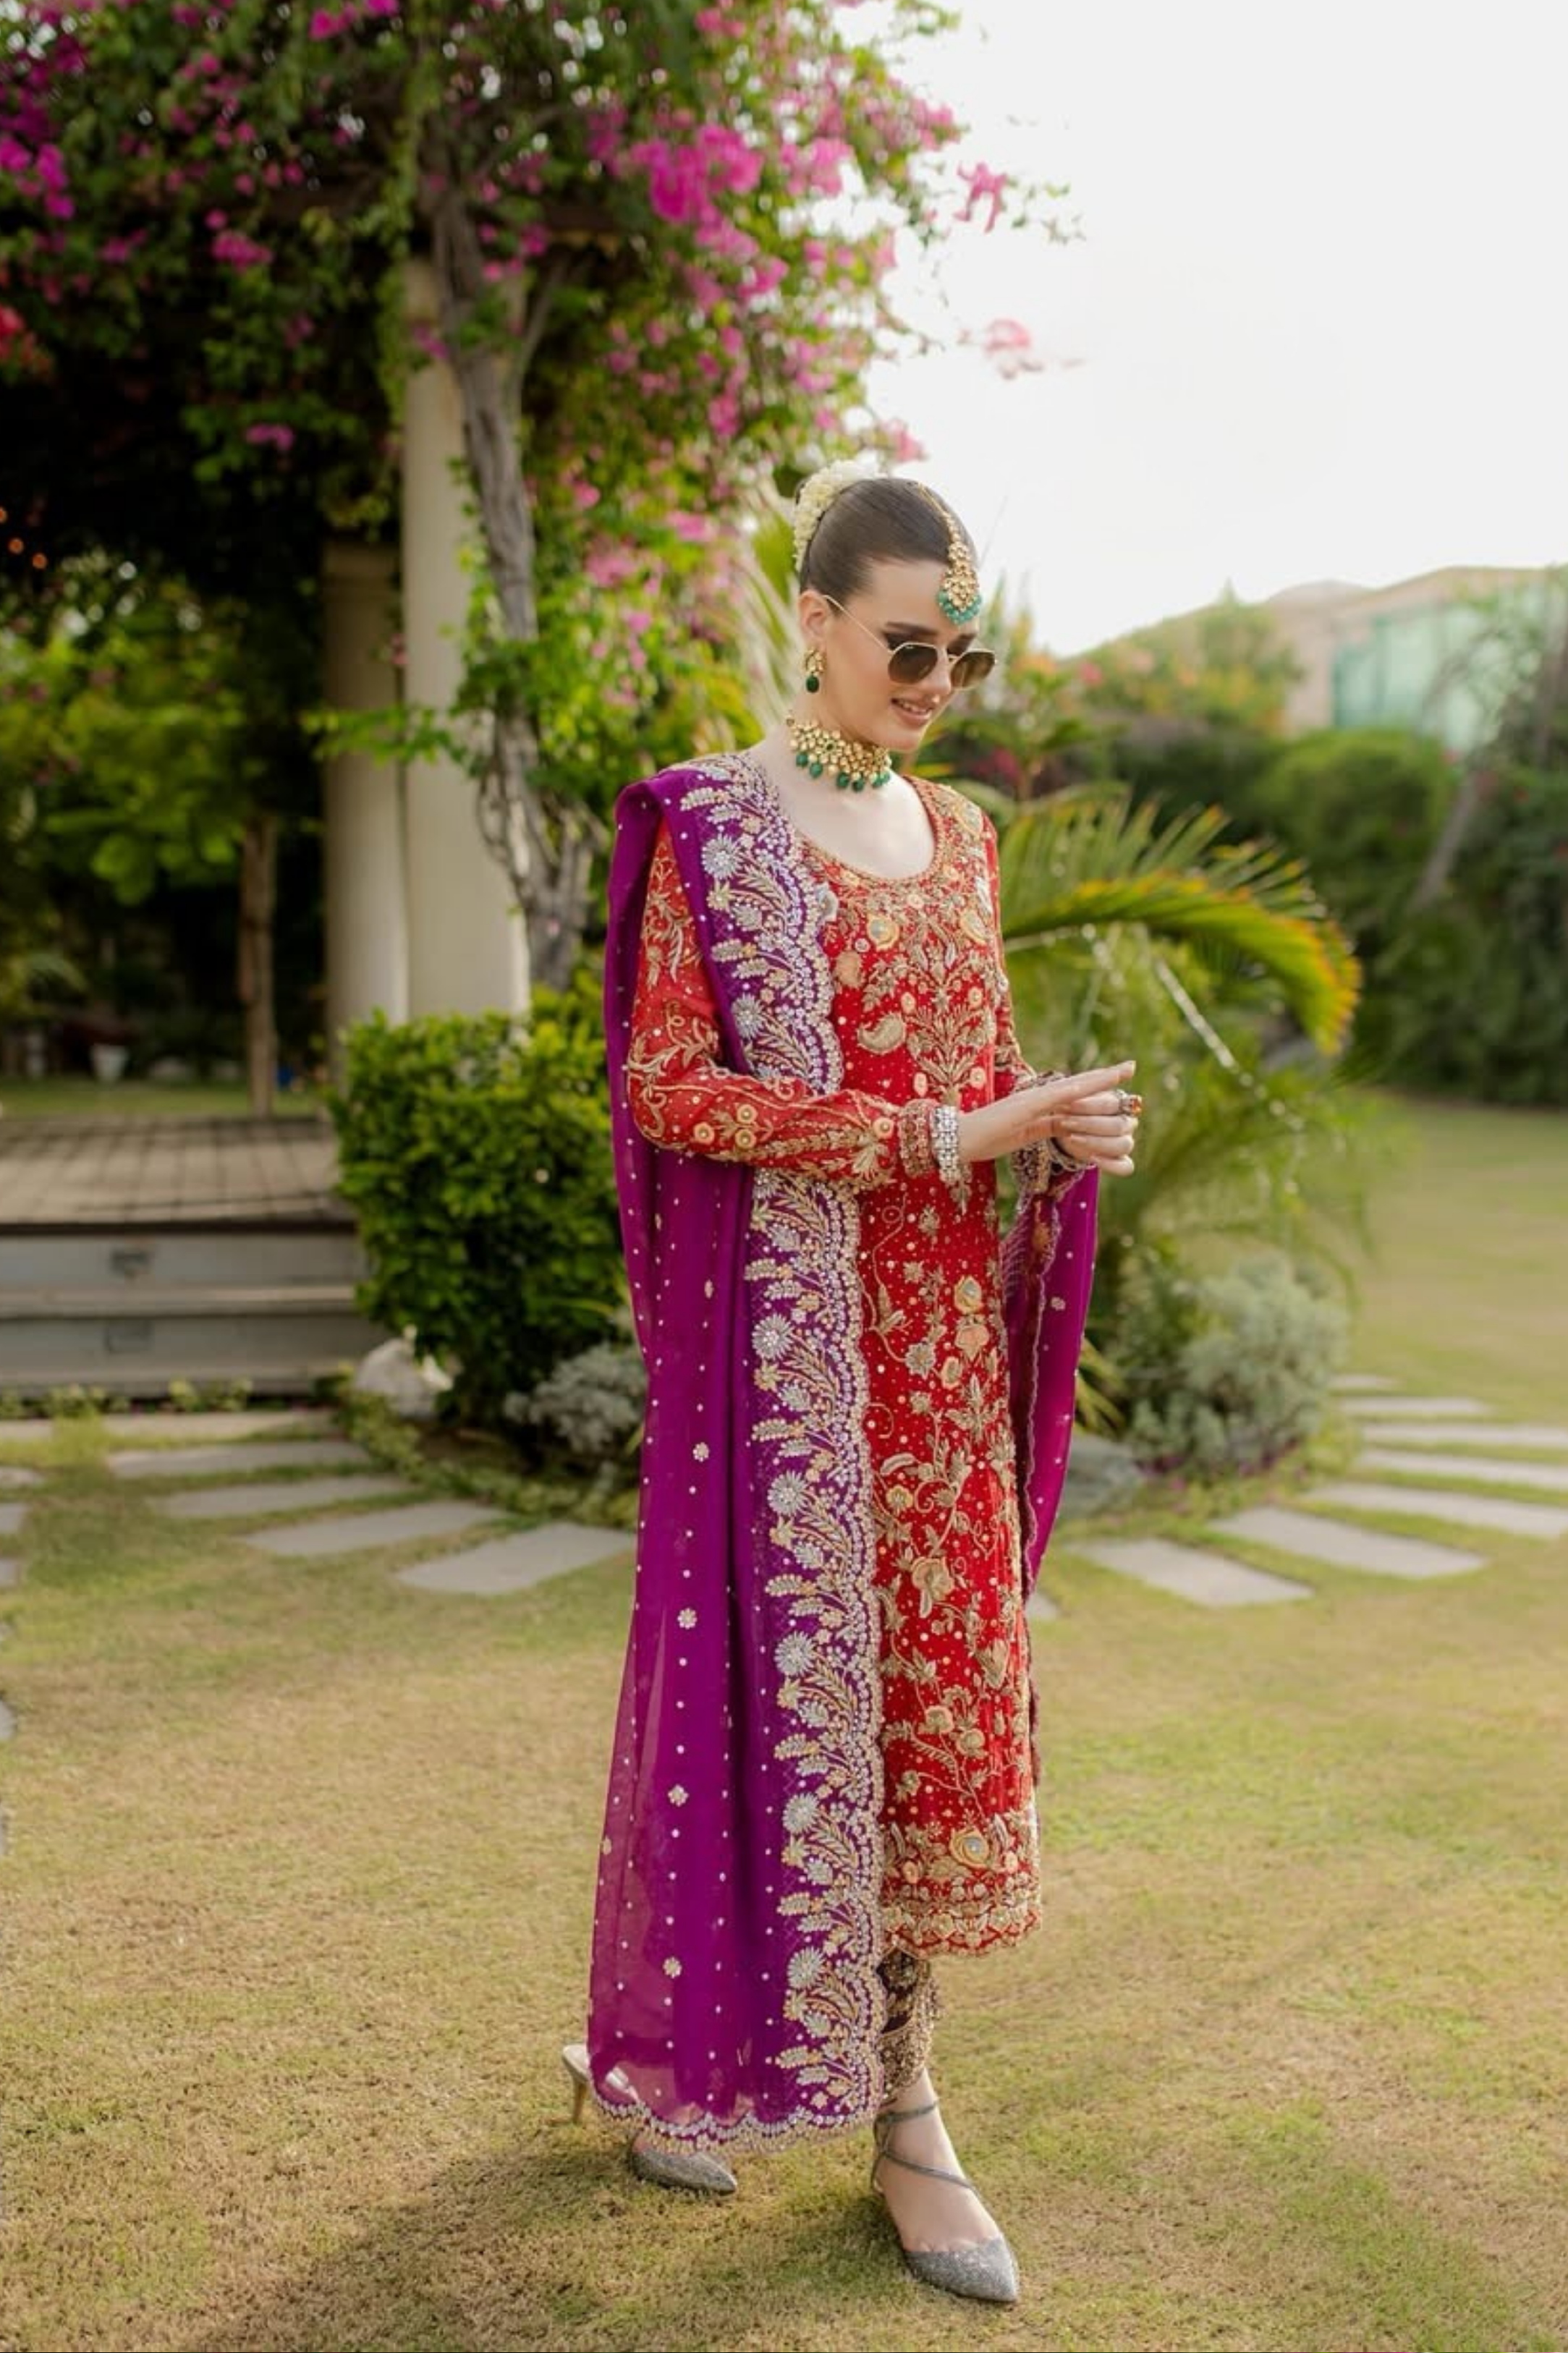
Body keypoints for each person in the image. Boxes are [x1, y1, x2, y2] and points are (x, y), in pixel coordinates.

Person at [564, 463, 1140, 2307]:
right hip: (789, 1368)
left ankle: (904, 2113)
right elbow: (671, 1086)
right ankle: (682, 2062)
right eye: (905, 643)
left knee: (922, 1739)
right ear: (811, 623)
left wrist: (1049, 1139)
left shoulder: (964, 840)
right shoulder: (714, 830)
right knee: (764, 1711)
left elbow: (982, 1072)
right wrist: (942, 1130)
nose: (932, 681)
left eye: (957, 655)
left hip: (940, 1367)